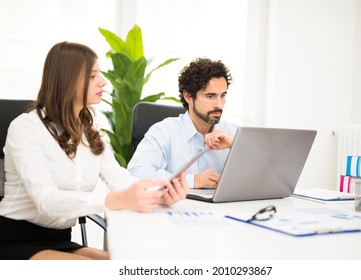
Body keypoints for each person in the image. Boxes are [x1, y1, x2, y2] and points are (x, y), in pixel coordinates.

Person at [0, 41, 189, 260]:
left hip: (60, 239)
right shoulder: (26, 128)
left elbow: (118, 178)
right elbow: (46, 200)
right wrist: (114, 200)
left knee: (127, 265)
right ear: (67, 79)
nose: (103, 82)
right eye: (92, 76)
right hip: (14, 241)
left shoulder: (90, 134)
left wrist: (159, 194)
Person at [128, 58, 238, 189]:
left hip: (226, 209)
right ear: (188, 97)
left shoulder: (233, 133)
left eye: (223, 95)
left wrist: (235, 145)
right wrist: (191, 181)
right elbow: (136, 173)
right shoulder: (163, 131)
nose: (219, 104)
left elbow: (264, 172)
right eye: (210, 96)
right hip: (177, 207)